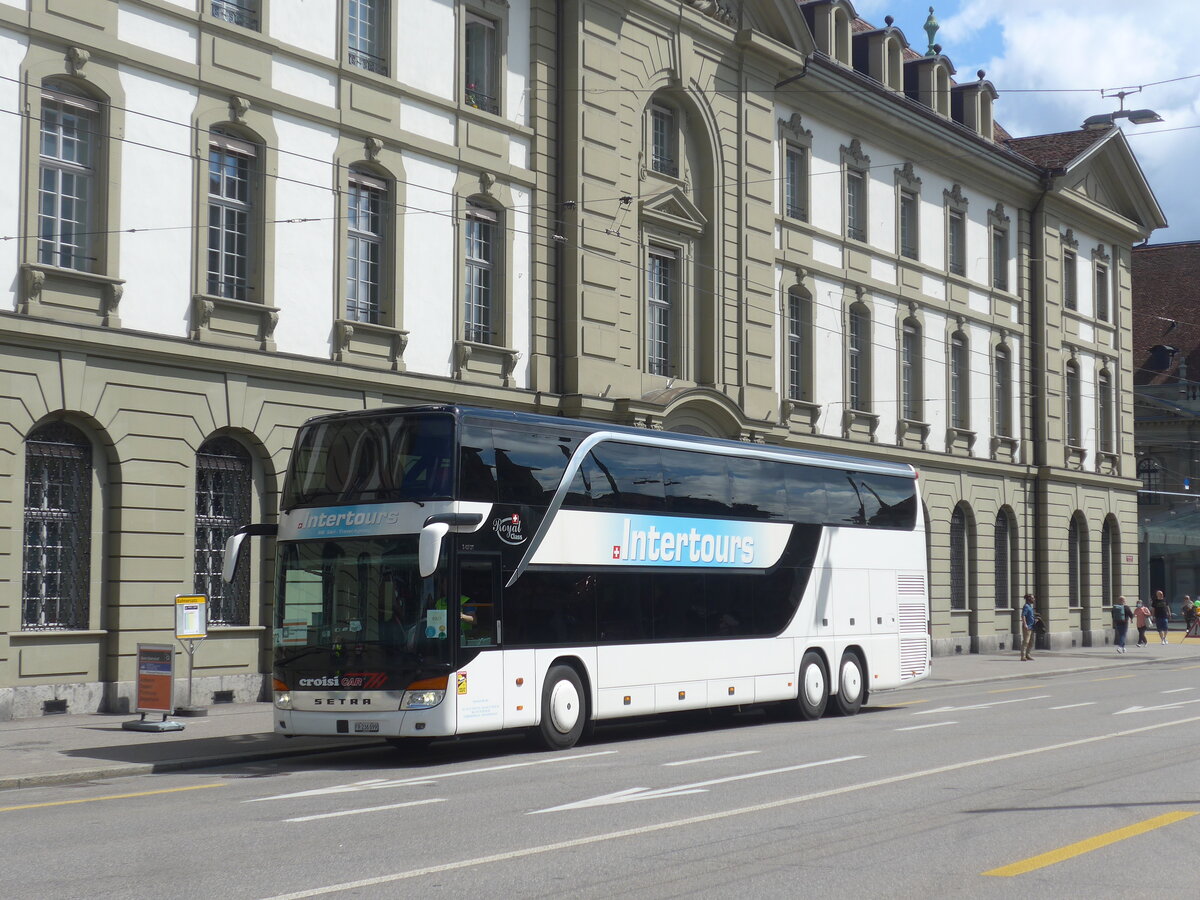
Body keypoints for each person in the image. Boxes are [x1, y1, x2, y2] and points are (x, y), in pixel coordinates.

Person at [1020, 593, 1037, 661]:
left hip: (1032, 626)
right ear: (1029, 599)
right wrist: (1025, 624)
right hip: (1027, 627)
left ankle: (1028, 654)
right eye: (1033, 598)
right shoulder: (1026, 606)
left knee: (1031, 642)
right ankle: (1023, 656)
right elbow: (1023, 615)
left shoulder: (1030, 606)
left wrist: (1035, 620)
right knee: (1026, 641)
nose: (1034, 599)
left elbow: (1030, 616)